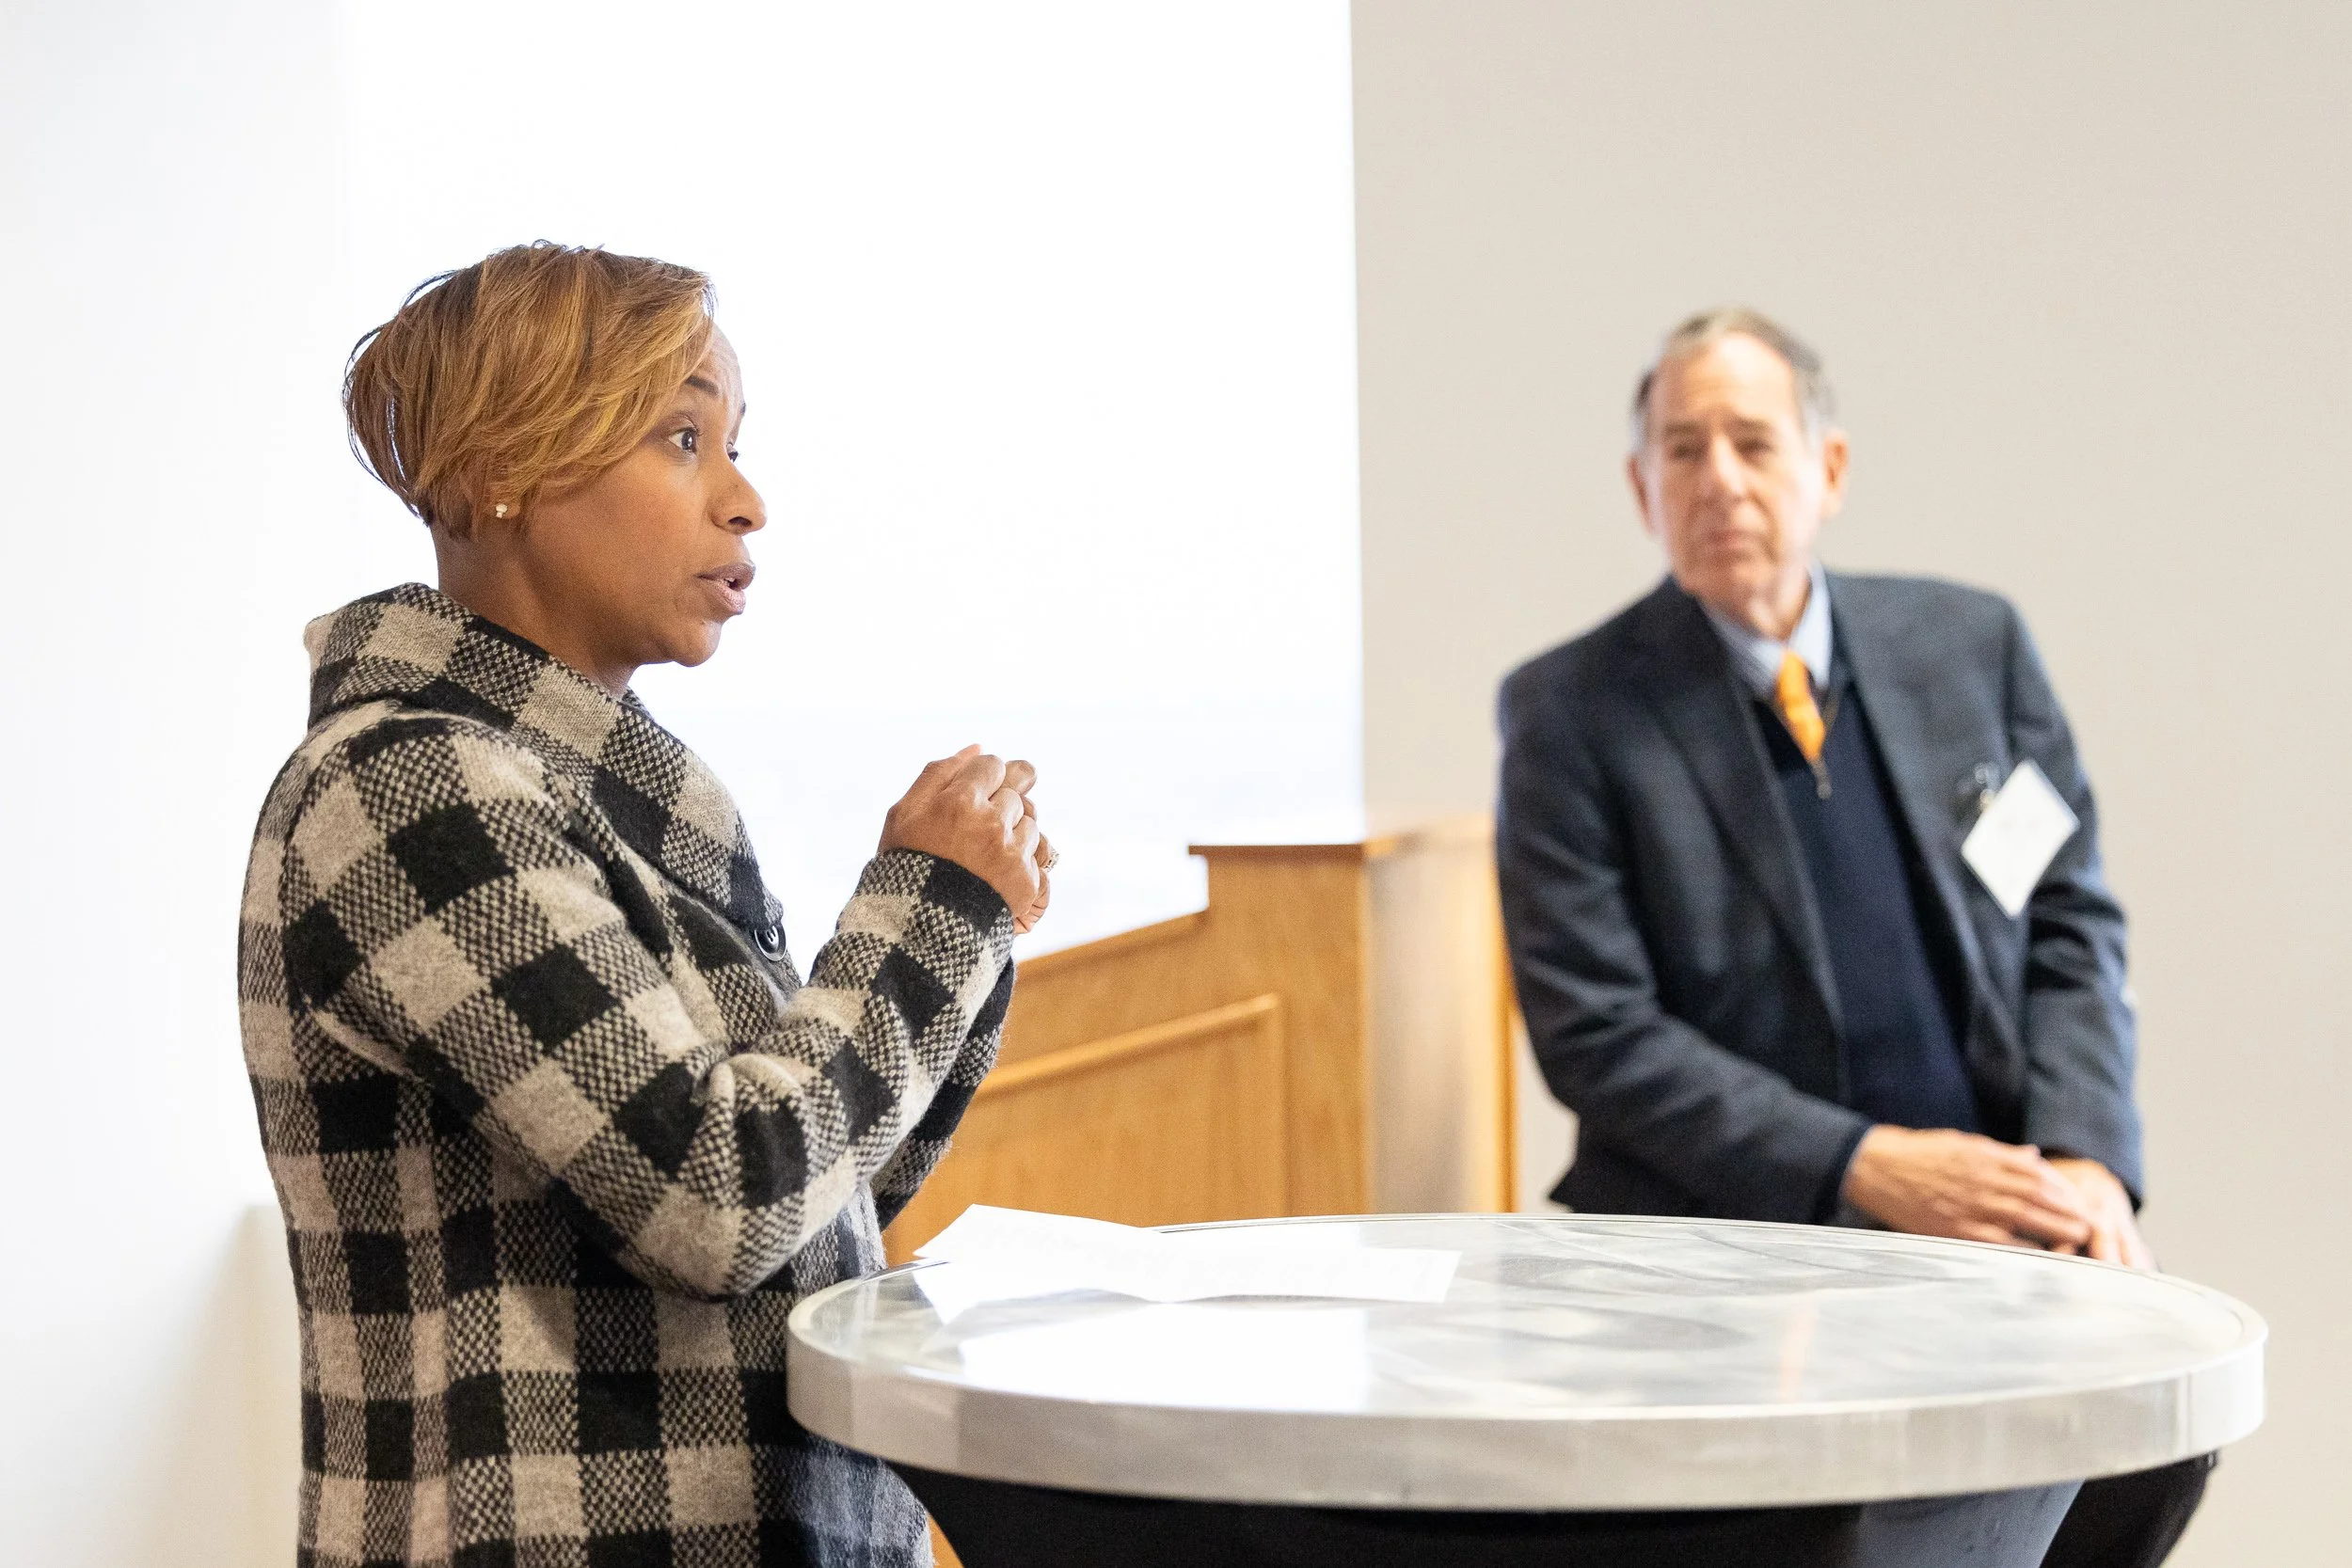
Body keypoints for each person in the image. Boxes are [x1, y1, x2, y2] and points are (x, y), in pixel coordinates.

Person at [240, 243, 1052, 1568]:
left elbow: (818, 1201)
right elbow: (719, 1200)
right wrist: (933, 901)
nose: (746, 501)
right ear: (501, 470)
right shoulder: (409, 784)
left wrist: (968, 925)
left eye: (733, 442)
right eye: (684, 437)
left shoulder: (612, 798)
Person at [1496, 308, 2209, 1567]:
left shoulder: (1972, 647)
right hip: (1716, 1260)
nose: (1718, 479)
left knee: (2164, 1443)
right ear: (1639, 486)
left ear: (1827, 469)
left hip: (1995, 1229)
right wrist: (1866, 1165)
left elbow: (2068, 918)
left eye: (1752, 443)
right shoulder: (1570, 711)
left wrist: (2086, 1157)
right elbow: (1597, 1035)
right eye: (1683, 449)